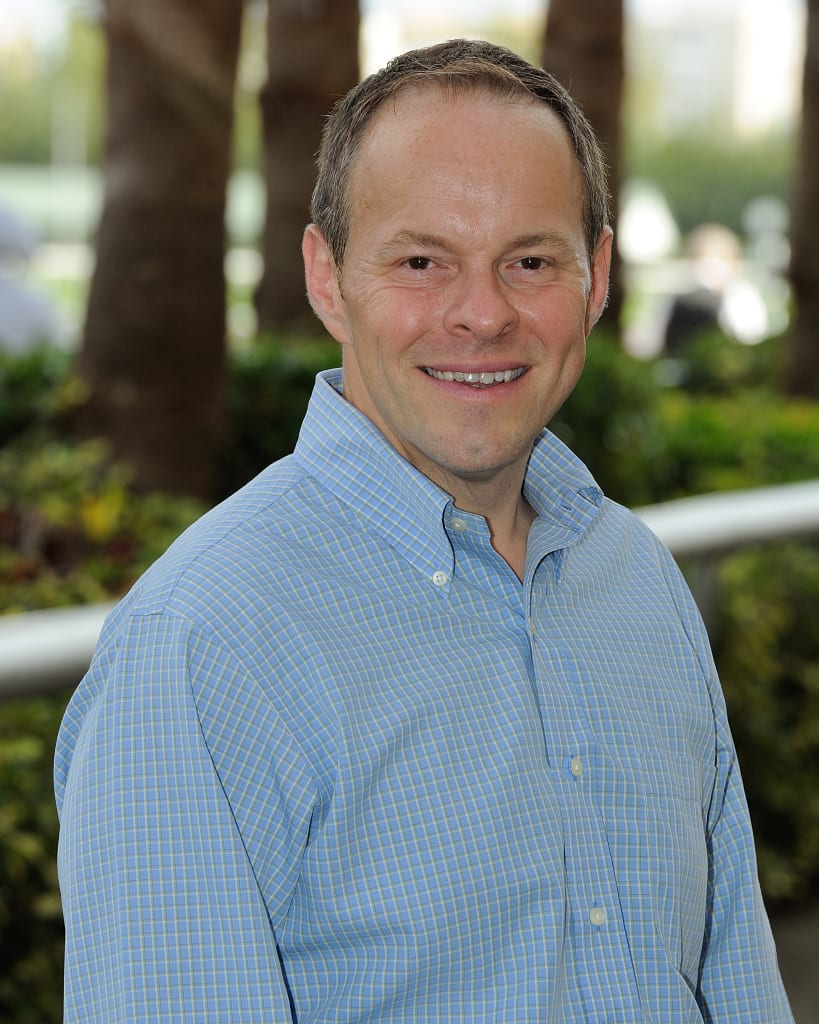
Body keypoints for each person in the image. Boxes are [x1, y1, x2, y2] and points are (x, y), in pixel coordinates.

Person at [55, 38, 794, 1023]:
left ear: (599, 275)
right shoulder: (201, 647)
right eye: (421, 260)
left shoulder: (638, 579)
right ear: (327, 278)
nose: (482, 313)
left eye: (530, 259)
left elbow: (735, 973)